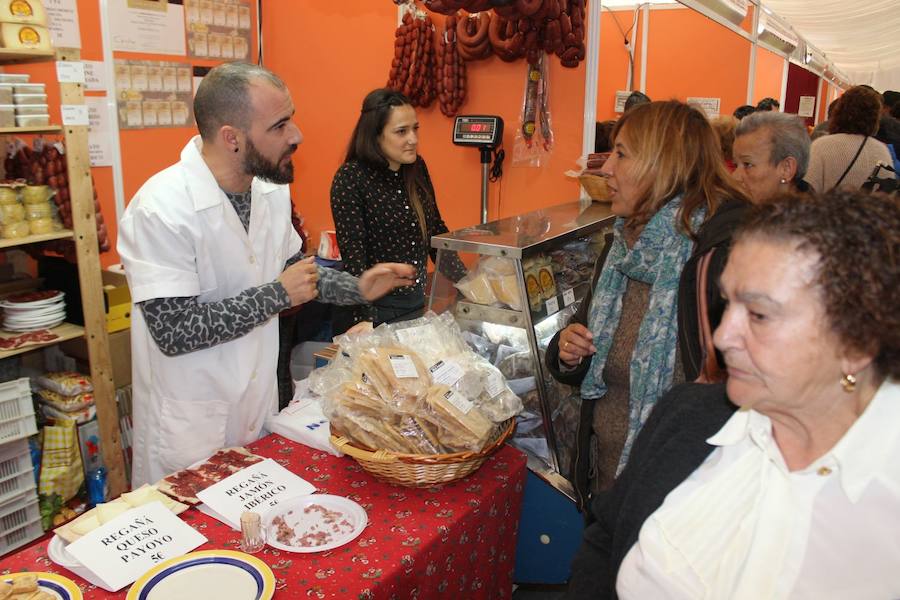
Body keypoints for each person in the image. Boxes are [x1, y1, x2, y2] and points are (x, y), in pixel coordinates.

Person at [564, 189, 900, 599]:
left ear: (858, 342)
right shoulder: (689, 416)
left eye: (759, 315)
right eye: (727, 304)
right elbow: (606, 539)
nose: (722, 337)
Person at [117, 63, 416, 486]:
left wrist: (355, 287)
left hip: (256, 410)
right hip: (191, 427)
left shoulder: (270, 191)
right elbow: (174, 330)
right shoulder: (161, 208)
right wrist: (275, 295)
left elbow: (291, 271)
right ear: (231, 138)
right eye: (279, 126)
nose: (296, 136)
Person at [544, 101, 748, 506]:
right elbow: (581, 339)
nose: (605, 169)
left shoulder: (719, 257)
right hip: (608, 476)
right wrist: (566, 353)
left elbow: (735, 393)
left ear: (663, 164)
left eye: (621, 153)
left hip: (682, 489)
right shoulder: (623, 243)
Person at [330, 88, 458, 335]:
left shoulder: (416, 168)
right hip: (371, 311)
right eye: (401, 131)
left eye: (415, 129)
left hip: (415, 303)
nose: (413, 139)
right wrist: (365, 319)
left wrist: (468, 285)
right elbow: (355, 257)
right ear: (375, 136)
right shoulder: (350, 178)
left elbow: (435, 232)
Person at [805, 85, 896, 192]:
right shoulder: (882, 151)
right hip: (866, 208)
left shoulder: (821, 146)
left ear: (839, 111)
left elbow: (808, 187)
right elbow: (888, 193)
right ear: (876, 117)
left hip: (827, 207)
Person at [732, 111, 811, 203]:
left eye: (747, 165)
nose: (735, 177)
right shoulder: (730, 211)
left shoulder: (812, 216)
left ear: (786, 169)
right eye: (735, 165)